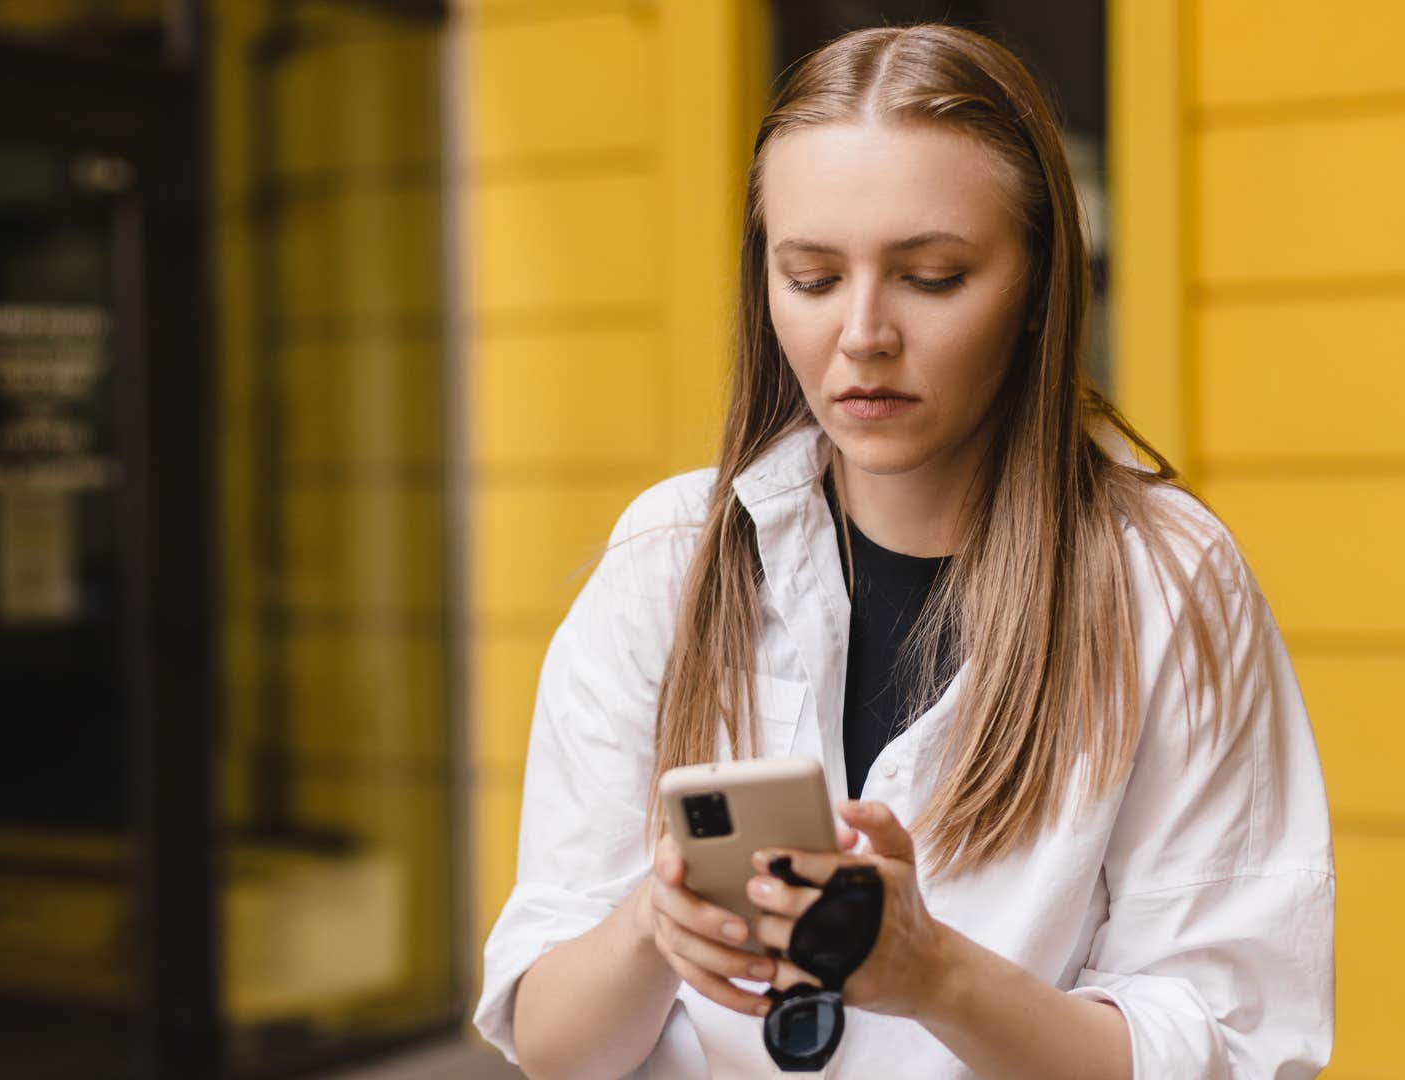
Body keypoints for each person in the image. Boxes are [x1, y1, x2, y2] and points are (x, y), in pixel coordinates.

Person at [474, 22, 1334, 1079]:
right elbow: (556, 1048)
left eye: (931, 277)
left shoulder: (1168, 582)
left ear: (1038, 289)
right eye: (814, 277)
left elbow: (1228, 1049)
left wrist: (934, 975)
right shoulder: (667, 563)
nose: (864, 333)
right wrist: (657, 927)